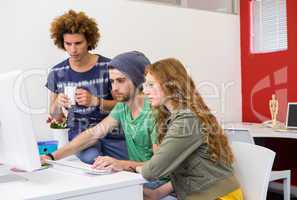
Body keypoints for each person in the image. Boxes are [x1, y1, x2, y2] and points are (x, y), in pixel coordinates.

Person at [43, 51, 172, 200]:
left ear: (138, 80)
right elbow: (93, 134)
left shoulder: (155, 112)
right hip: (139, 181)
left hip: (161, 187)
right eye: (112, 81)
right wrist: (51, 156)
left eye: (121, 81)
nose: (114, 88)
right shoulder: (123, 106)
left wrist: (120, 164)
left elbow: (158, 168)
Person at [139, 58, 243, 200]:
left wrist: (131, 168)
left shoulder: (187, 120)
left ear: (171, 85)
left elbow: (152, 170)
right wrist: (157, 193)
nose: (145, 91)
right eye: (145, 85)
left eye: (151, 85)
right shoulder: (178, 116)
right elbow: (187, 169)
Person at [46, 10, 128, 164]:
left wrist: (97, 101)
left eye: (78, 43)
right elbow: (55, 116)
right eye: (68, 44)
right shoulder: (57, 72)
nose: (73, 49)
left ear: (89, 41)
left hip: (113, 132)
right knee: (93, 159)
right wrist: (58, 104)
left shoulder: (108, 67)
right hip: (80, 134)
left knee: (128, 162)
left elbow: (125, 107)